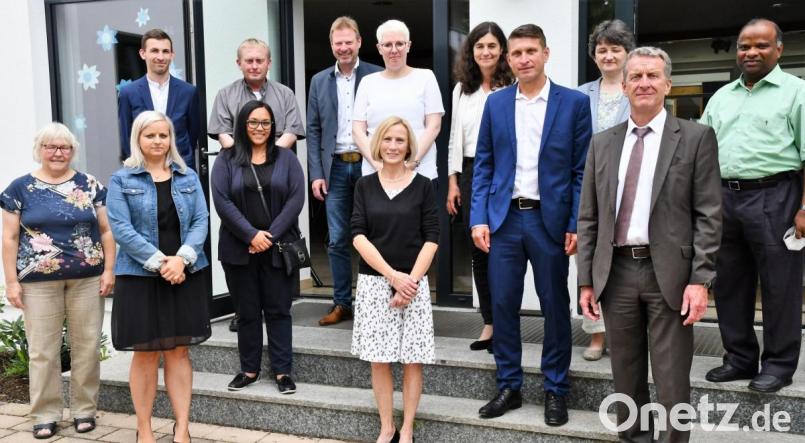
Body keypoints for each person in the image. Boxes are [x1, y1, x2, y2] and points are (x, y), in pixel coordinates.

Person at [578, 46, 722, 442]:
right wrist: (586, 280)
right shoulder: (602, 143)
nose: (644, 83)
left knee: (672, 377)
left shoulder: (695, 138)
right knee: (625, 378)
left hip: (671, 276)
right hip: (617, 272)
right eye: (636, 76)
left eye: (652, 76)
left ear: (668, 84)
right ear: (623, 86)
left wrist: (700, 280)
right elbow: (589, 217)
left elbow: (709, 215)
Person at [470, 24, 592, 426]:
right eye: (517, 52)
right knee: (502, 304)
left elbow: (580, 171)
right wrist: (479, 217)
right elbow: (484, 164)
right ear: (509, 58)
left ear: (545, 53)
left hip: (549, 221)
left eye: (531, 51)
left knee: (554, 305)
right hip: (504, 220)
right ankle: (509, 385)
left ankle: (555, 389)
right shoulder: (497, 103)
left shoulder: (573, 104)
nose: (524, 58)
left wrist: (575, 220)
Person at [700, 18, 805, 393]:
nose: (751, 52)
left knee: (780, 284)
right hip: (724, 197)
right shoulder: (722, 96)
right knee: (729, 283)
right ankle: (739, 358)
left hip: (777, 196)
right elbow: (703, 154)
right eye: (745, 46)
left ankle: (778, 364)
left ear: (779, 49)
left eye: (761, 45)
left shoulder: (797, 92)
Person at [1, 122, 115, 440]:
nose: (57, 153)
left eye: (64, 147)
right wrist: (11, 281)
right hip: (37, 282)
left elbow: (106, 231)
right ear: (39, 150)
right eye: (50, 146)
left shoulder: (90, 184)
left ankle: (84, 411)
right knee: (43, 351)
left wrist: (109, 270)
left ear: (72, 151)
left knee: (87, 347)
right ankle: (45, 414)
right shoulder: (19, 189)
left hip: (87, 279)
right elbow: (9, 238)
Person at [107, 111, 211, 443]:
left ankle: (182, 428)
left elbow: (200, 221)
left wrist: (181, 260)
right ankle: (145, 429)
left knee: (179, 351)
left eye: (163, 136)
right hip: (139, 275)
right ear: (138, 139)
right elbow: (120, 229)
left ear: (171, 140)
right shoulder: (122, 179)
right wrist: (159, 262)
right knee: (146, 353)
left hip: (185, 272)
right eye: (150, 135)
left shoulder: (188, 176)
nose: (157, 141)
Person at [351, 116, 439, 443]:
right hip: (375, 285)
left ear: (409, 146)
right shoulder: (363, 185)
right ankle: (386, 426)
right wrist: (392, 277)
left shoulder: (424, 185)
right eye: (387, 139)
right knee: (380, 360)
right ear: (378, 144)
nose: (392, 146)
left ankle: (407, 428)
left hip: (414, 286)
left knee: (412, 360)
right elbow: (358, 236)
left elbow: (432, 238)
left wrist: (410, 283)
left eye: (400, 140)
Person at [208, 37, 305, 332]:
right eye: (248, 60)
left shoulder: (285, 94)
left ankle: (276, 308)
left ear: (269, 63)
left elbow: (290, 133)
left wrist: (268, 154)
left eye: (259, 60)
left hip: (276, 174)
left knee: (277, 295)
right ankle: (245, 310)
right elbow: (224, 135)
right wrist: (248, 154)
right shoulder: (225, 95)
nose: (254, 65)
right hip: (239, 173)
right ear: (239, 63)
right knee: (243, 242)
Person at [211, 100, 305, 395]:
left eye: (265, 123)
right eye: (253, 122)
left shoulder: (287, 159)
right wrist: (251, 235)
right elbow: (222, 201)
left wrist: (269, 236)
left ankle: (282, 372)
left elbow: (295, 199)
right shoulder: (226, 158)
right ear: (242, 124)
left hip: (277, 249)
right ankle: (248, 369)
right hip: (238, 250)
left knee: (279, 310)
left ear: (273, 127)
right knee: (247, 311)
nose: (259, 128)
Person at [308, 16, 382, 326]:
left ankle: (373, 302)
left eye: (348, 42)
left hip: (370, 166)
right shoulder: (319, 80)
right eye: (338, 43)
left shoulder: (378, 76)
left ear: (359, 42)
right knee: (338, 239)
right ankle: (342, 303)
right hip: (335, 167)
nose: (343, 48)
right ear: (332, 46)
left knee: (373, 236)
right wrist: (316, 173)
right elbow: (313, 129)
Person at [445, 21, 513, 352]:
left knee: (504, 249)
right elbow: (455, 139)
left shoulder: (512, 86)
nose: (485, 52)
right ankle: (489, 323)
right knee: (478, 252)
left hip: (506, 173)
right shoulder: (462, 89)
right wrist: (453, 182)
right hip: (472, 172)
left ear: (502, 50)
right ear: (471, 52)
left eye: (491, 45)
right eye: (479, 46)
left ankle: (506, 322)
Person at [575, 19, 635, 361]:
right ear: (594, 55)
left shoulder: (638, 87)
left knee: (628, 264)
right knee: (591, 262)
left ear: (627, 54)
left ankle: (624, 333)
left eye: (615, 49)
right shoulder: (582, 94)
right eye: (602, 50)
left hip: (631, 186)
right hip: (592, 189)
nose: (609, 55)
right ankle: (596, 335)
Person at [353, 19, 444, 183]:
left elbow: (434, 126)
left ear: (408, 45)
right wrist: (379, 167)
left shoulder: (426, 77)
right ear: (379, 48)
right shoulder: (367, 83)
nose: (394, 50)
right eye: (387, 45)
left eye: (399, 44)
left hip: (420, 174)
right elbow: (357, 131)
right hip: (376, 176)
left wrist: (410, 164)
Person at [118, 29, 200, 170]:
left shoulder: (188, 92)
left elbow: (193, 135)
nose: (160, 57)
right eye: (155, 51)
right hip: (143, 170)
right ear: (143, 54)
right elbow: (127, 138)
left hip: (180, 169)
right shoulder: (128, 93)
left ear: (172, 55)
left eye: (165, 51)